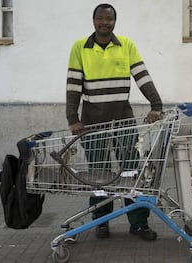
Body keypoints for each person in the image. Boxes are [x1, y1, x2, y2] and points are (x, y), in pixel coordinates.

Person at [65, 3, 163, 241]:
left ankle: (138, 223)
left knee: (131, 171)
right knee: (99, 175)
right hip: (93, 123)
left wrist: (156, 104)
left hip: (123, 120)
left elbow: (142, 76)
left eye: (109, 19)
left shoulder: (126, 45)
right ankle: (101, 222)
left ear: (114, 22)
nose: (104, 23)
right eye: (100, 19)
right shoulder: (80, 47)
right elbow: (73, 86)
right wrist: (72, 118)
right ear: (94, 21)